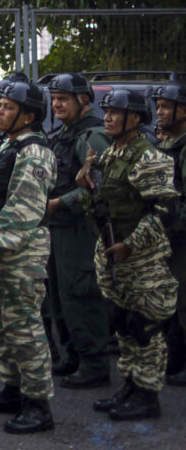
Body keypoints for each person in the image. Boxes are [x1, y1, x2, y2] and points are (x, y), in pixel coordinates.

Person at [72, 89, 178, 420]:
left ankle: (148, 396)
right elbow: (101, 204)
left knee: (144, 326)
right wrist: (86, 184)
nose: (108, 117)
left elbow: (165, 210)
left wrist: (131, 243)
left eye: (116, 113)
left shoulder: (150, 158)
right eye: (107, 112)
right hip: (112, 256)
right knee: (123, 325)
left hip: (141, 259)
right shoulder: (110, 155)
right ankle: (131, 386)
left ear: (135, 119)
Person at [0, 79, 56, 434]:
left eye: (6, 107)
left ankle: (38, 404)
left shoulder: (34, 151)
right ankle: (13, 387)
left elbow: (25, 205)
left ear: (28, 115)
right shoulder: (7, 146)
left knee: (23, 326)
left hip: (17, 250)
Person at [43, 73, 112, 387]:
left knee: (81, 294)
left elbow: (103, 186)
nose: (56, 104)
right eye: (54, 98)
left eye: (64, 99)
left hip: (79, 229)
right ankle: (73, 355)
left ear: (83, 100)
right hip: (60, 227)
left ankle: (95, 364)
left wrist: (60, 202)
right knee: (59, 296)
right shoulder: (66, 133)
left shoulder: (92, 135)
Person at [152, 82, 186, 386]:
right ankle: (175, 360)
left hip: (181, 237)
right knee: (170, 304)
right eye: (158, 106)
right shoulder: (166, 145)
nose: (159, 112)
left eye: (166, 107)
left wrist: (168, 221)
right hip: (166, 238)